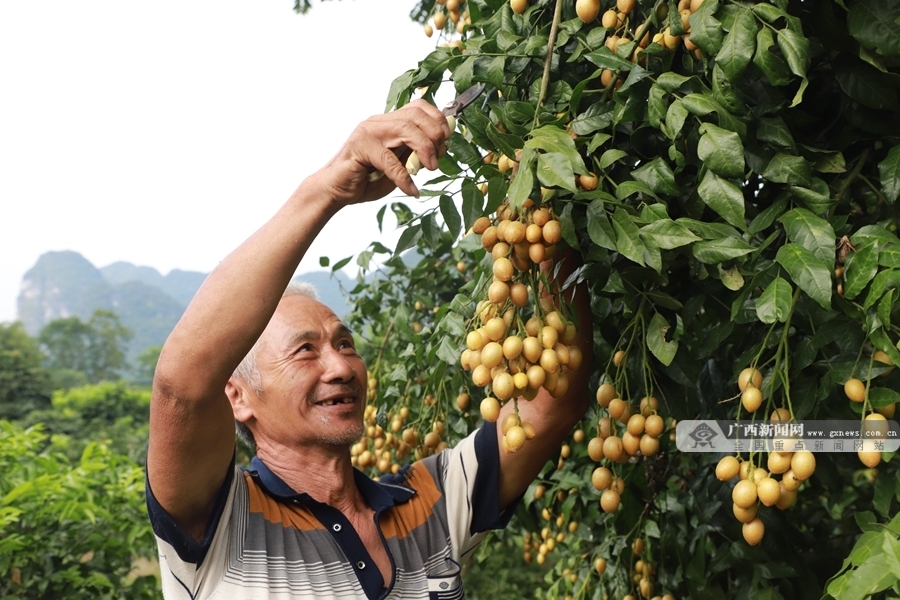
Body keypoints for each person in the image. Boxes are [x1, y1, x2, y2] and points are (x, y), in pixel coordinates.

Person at [146, 99, 591, 600]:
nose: (340, 366)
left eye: (345, 344)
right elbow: (182, 387)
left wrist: (544, 192)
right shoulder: (219, 523)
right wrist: (328, 189)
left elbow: (553, 398)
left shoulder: (429, 504)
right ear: (239, 395)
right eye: (305, 351)